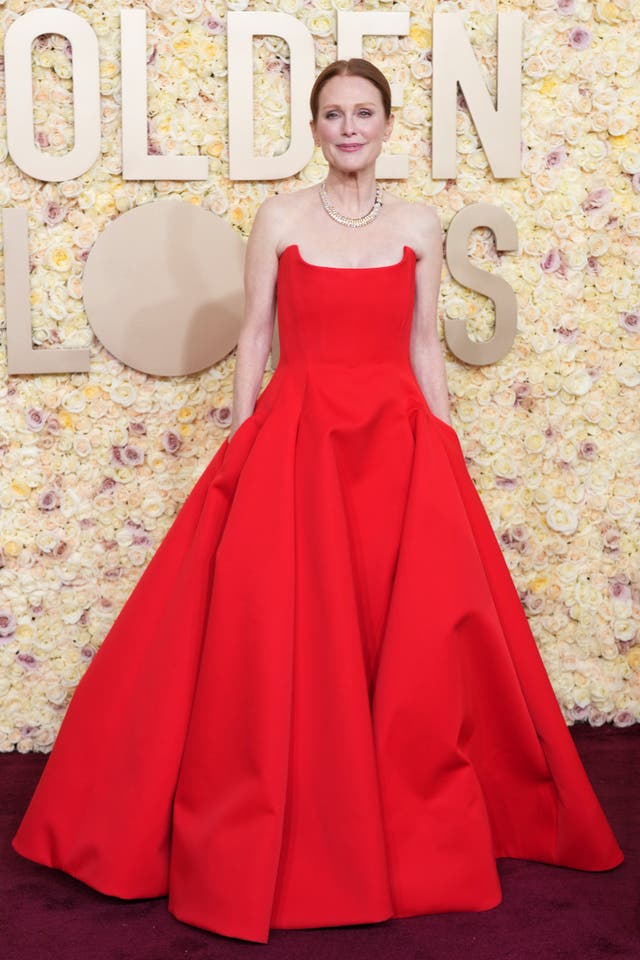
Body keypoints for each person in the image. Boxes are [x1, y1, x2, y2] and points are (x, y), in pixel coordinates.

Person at [12, 58, 623, 944]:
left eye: (363, 113)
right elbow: (255, 330)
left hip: (394, 442)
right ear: (314, 126)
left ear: (385, 124)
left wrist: (443, 445)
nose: (348, 127)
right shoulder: (280, 216)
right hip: (298, 441)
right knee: (273, 635)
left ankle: (403, 811)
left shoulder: (419, 222)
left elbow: (423, 345)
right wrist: (242, 436)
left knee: (406, 632)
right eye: (333, 113)